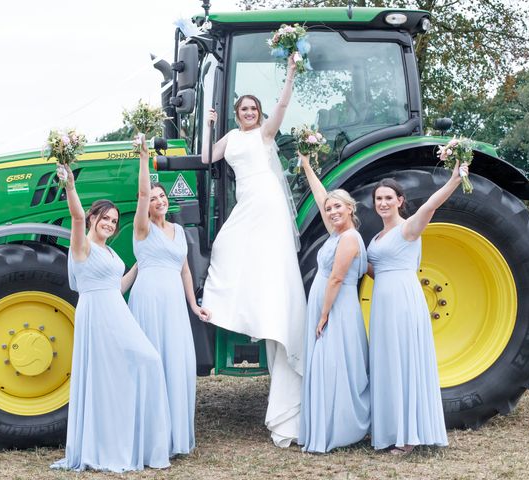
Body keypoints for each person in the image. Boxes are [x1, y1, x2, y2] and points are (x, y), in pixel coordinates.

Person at [200, 54, 307, 448]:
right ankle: (226, 306)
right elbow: (207, 157)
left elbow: (282, 107)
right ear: (236, 113)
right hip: (246, 202)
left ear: (259, 113)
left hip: (267, 202)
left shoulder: (264, 133)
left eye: (253, 109)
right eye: (243, 109)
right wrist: (209, 127)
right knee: (226, 246)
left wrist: (291, 71)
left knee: (267, 262)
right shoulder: (230, 137)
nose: (249, 113)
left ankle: (271, 314)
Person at [51, 164, 171, 472]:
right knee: (140, 364)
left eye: (114, 221)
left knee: (134, 369)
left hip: (116, 311)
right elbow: (76, 217)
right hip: (98, 316)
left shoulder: (108, 251)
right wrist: (70, 186)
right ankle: (106, 447)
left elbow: (117, 286)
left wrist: (140, 265)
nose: (110, 224)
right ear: (93, 218)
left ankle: (134, 442)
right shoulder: (82, 247)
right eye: (105, 218)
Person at [367, 162, 468, 455]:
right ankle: (390, 430)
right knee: (387, 364)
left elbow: (431, 205)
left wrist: (454, 179)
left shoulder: (408, 228)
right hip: (383, 303)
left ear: (400, 201)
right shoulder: (377, 237)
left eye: (389, 198)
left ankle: (409, 437)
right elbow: (377, 270)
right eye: (379, 199)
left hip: (403, 302)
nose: (383, 203)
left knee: (404, 362)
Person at [128, 137, 211, 456]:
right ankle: (151, 437)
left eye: (162, 196)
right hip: (149, 299)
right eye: (154, 197)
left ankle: (174, 436)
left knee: (178, 363)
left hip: (175, 304)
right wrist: (145, 156)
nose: (159, 200)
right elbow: (141, 191)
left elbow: (186, 271)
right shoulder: (142, 229)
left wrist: (194, 305)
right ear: (146, 204)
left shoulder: (177, 231)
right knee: (154, 362)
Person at [297, 152, 370, 453]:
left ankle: (338, 428)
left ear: (350, 208)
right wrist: (307, 167)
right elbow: (320, 198)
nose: (331, 211)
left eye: (337, 206)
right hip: (328, 306)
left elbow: (337, 279)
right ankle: (324, 424)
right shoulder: (336, 233)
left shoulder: (349, 238)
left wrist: (323, 314)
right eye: (329, 209)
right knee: (328, 365)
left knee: (334, 365)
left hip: (336, 309)